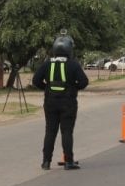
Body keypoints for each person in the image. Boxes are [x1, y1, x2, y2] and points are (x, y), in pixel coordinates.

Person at [32, 34, 89, 170]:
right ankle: (69, 161)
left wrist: (47, 88)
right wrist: (73, 88)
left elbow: (35, 81)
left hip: (50, 102)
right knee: (66, 132)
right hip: (68, 103)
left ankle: (46, 162)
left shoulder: (47, 64)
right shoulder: (73, 65)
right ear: (69, 49)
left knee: (50, 131)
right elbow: (84, 82)